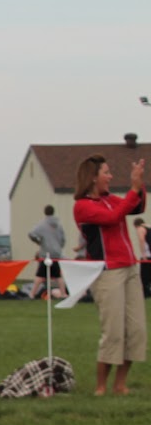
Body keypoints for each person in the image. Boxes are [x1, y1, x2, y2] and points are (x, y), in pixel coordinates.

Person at [73, 152, 147, 396]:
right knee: (113, 332)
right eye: (106, 172)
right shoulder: (83, 206)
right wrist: (133, 188)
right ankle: (101, 387)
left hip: (129, 268)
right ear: (93, 178)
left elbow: (136, 206)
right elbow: (114, 217)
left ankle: (120, 384)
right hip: (107, 272)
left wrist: (139, 184)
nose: (110, 176)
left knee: (136, 331)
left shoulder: (109, 199)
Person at [28, 204, 67, 299]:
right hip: (57, 253)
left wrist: (38, 241)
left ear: (45, 212)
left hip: (46, 253)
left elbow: (31, 233)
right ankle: (63, 293)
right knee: (58, 275)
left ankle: (32, 294)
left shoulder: (42, 224)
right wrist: (59, 247)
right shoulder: (59, 225)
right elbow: (63, 239)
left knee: (40, 275)